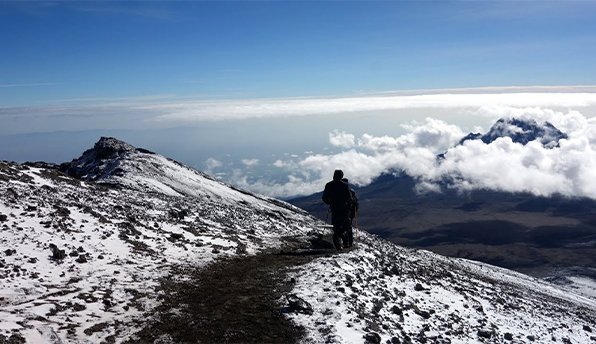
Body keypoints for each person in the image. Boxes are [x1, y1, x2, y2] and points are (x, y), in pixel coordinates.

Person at [322, 170, 352, 251]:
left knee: (336, 227)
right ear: (341, 176)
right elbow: (349, 198)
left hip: (334, 209)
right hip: (344, 210)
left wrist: (330, 202)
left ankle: (339, 245)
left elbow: (324, 198)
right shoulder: (344, 185)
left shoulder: (329, 185)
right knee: (344, 226)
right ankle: (345, 242)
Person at [342, 178, 359, 248]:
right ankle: (349, 243)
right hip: (349, 213)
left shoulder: (343, 192)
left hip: (345, 213)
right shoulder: (351, 191)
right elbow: (355, 203)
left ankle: (346, 243)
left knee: (344, 227)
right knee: (348, 228)